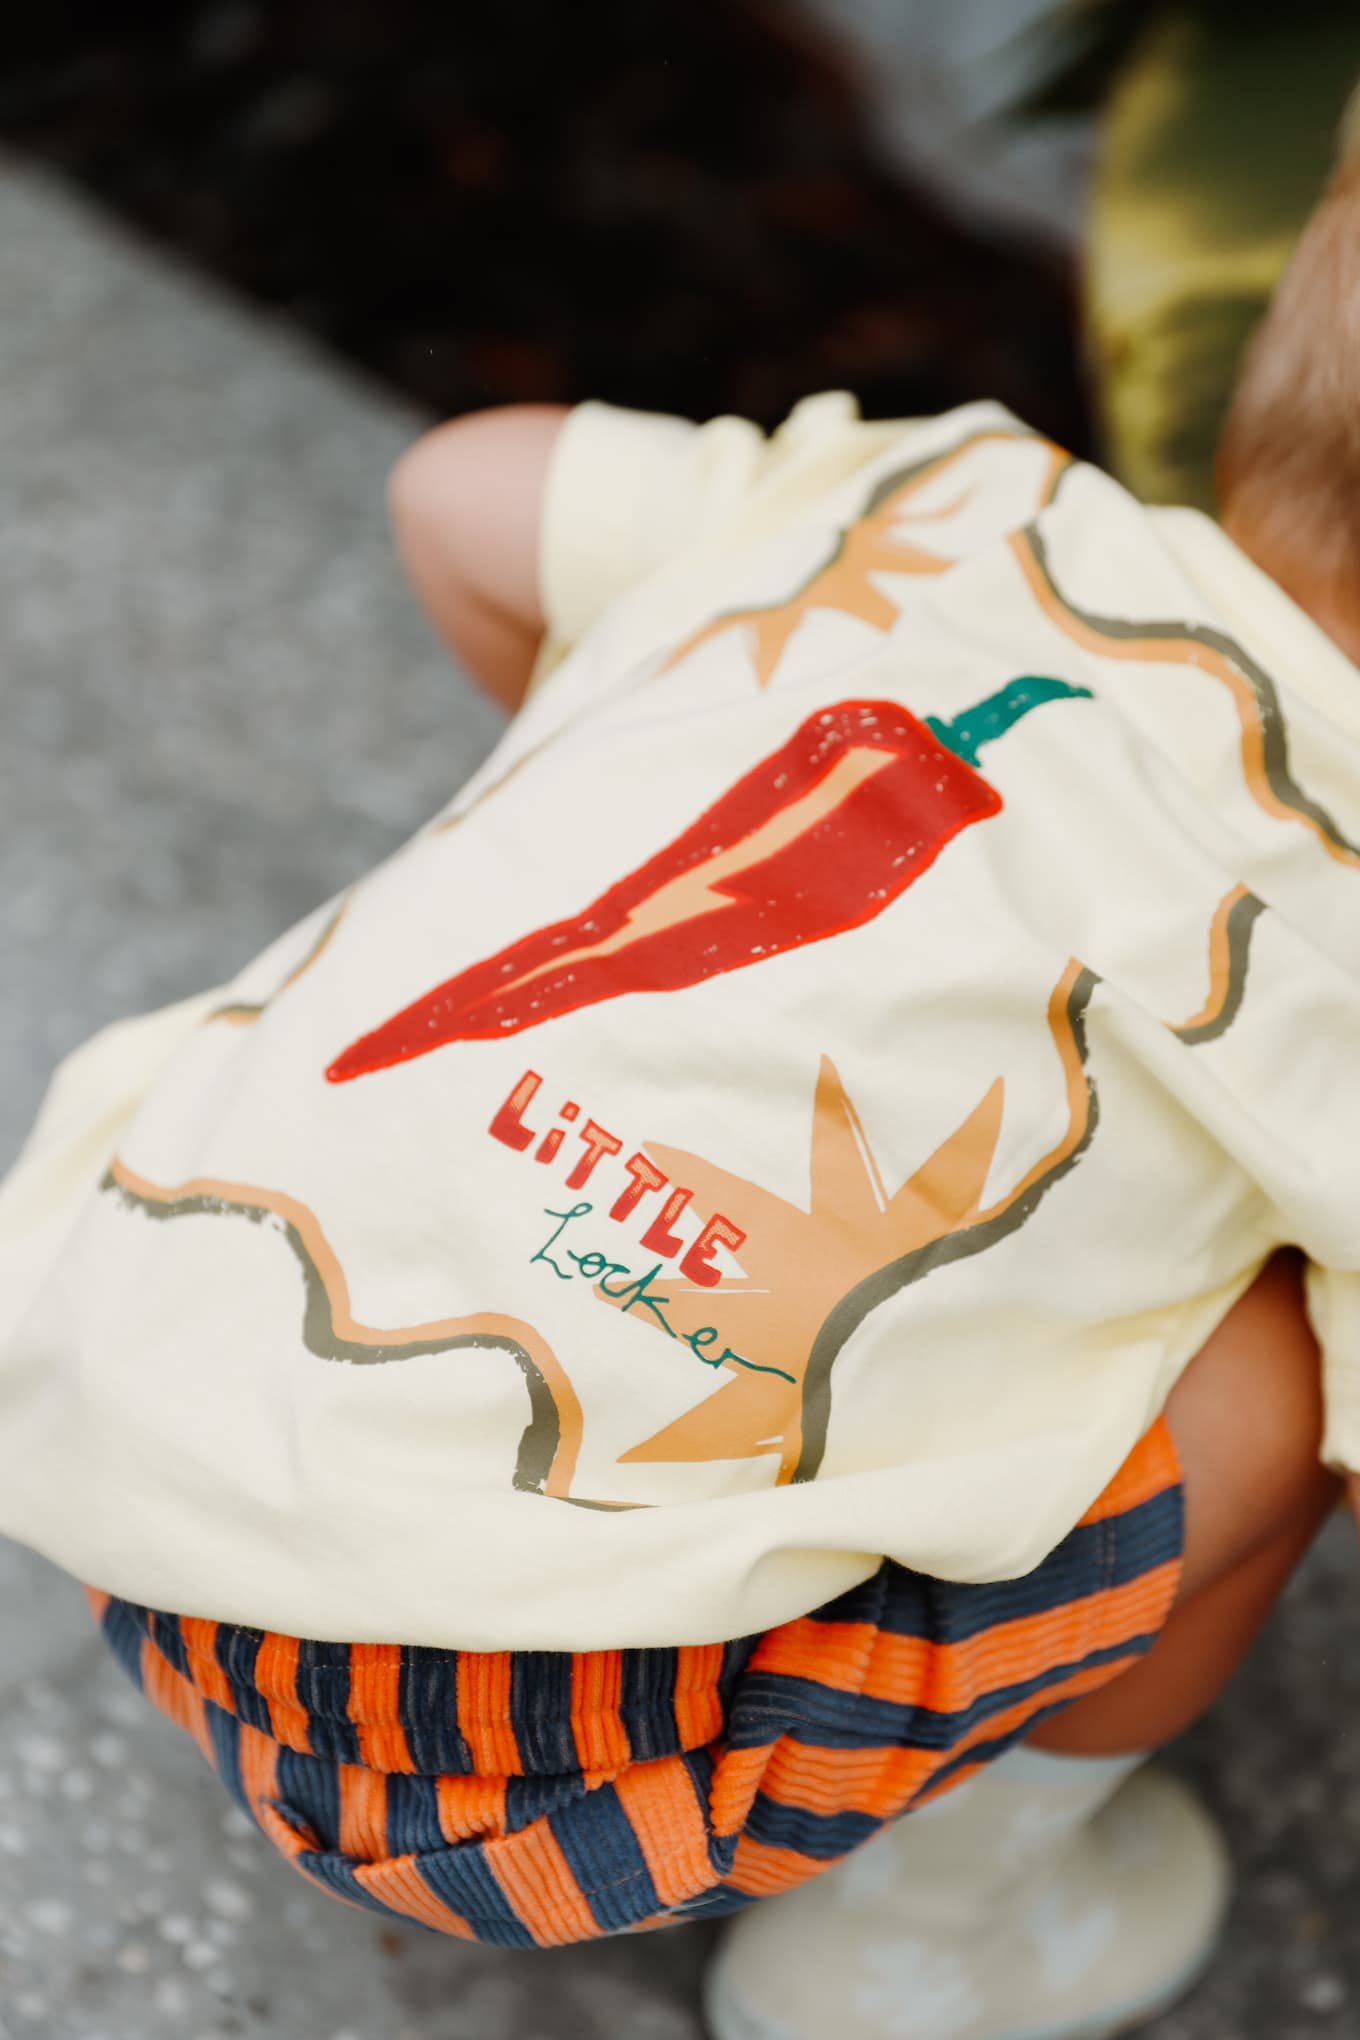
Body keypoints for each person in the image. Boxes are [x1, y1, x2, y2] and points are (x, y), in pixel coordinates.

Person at [1, 126, 1358, 2040]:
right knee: (1288, 1387)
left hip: (110, 1386)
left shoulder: (926, 489)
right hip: (525, 1789)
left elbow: (464, 486)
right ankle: (933, 1943)